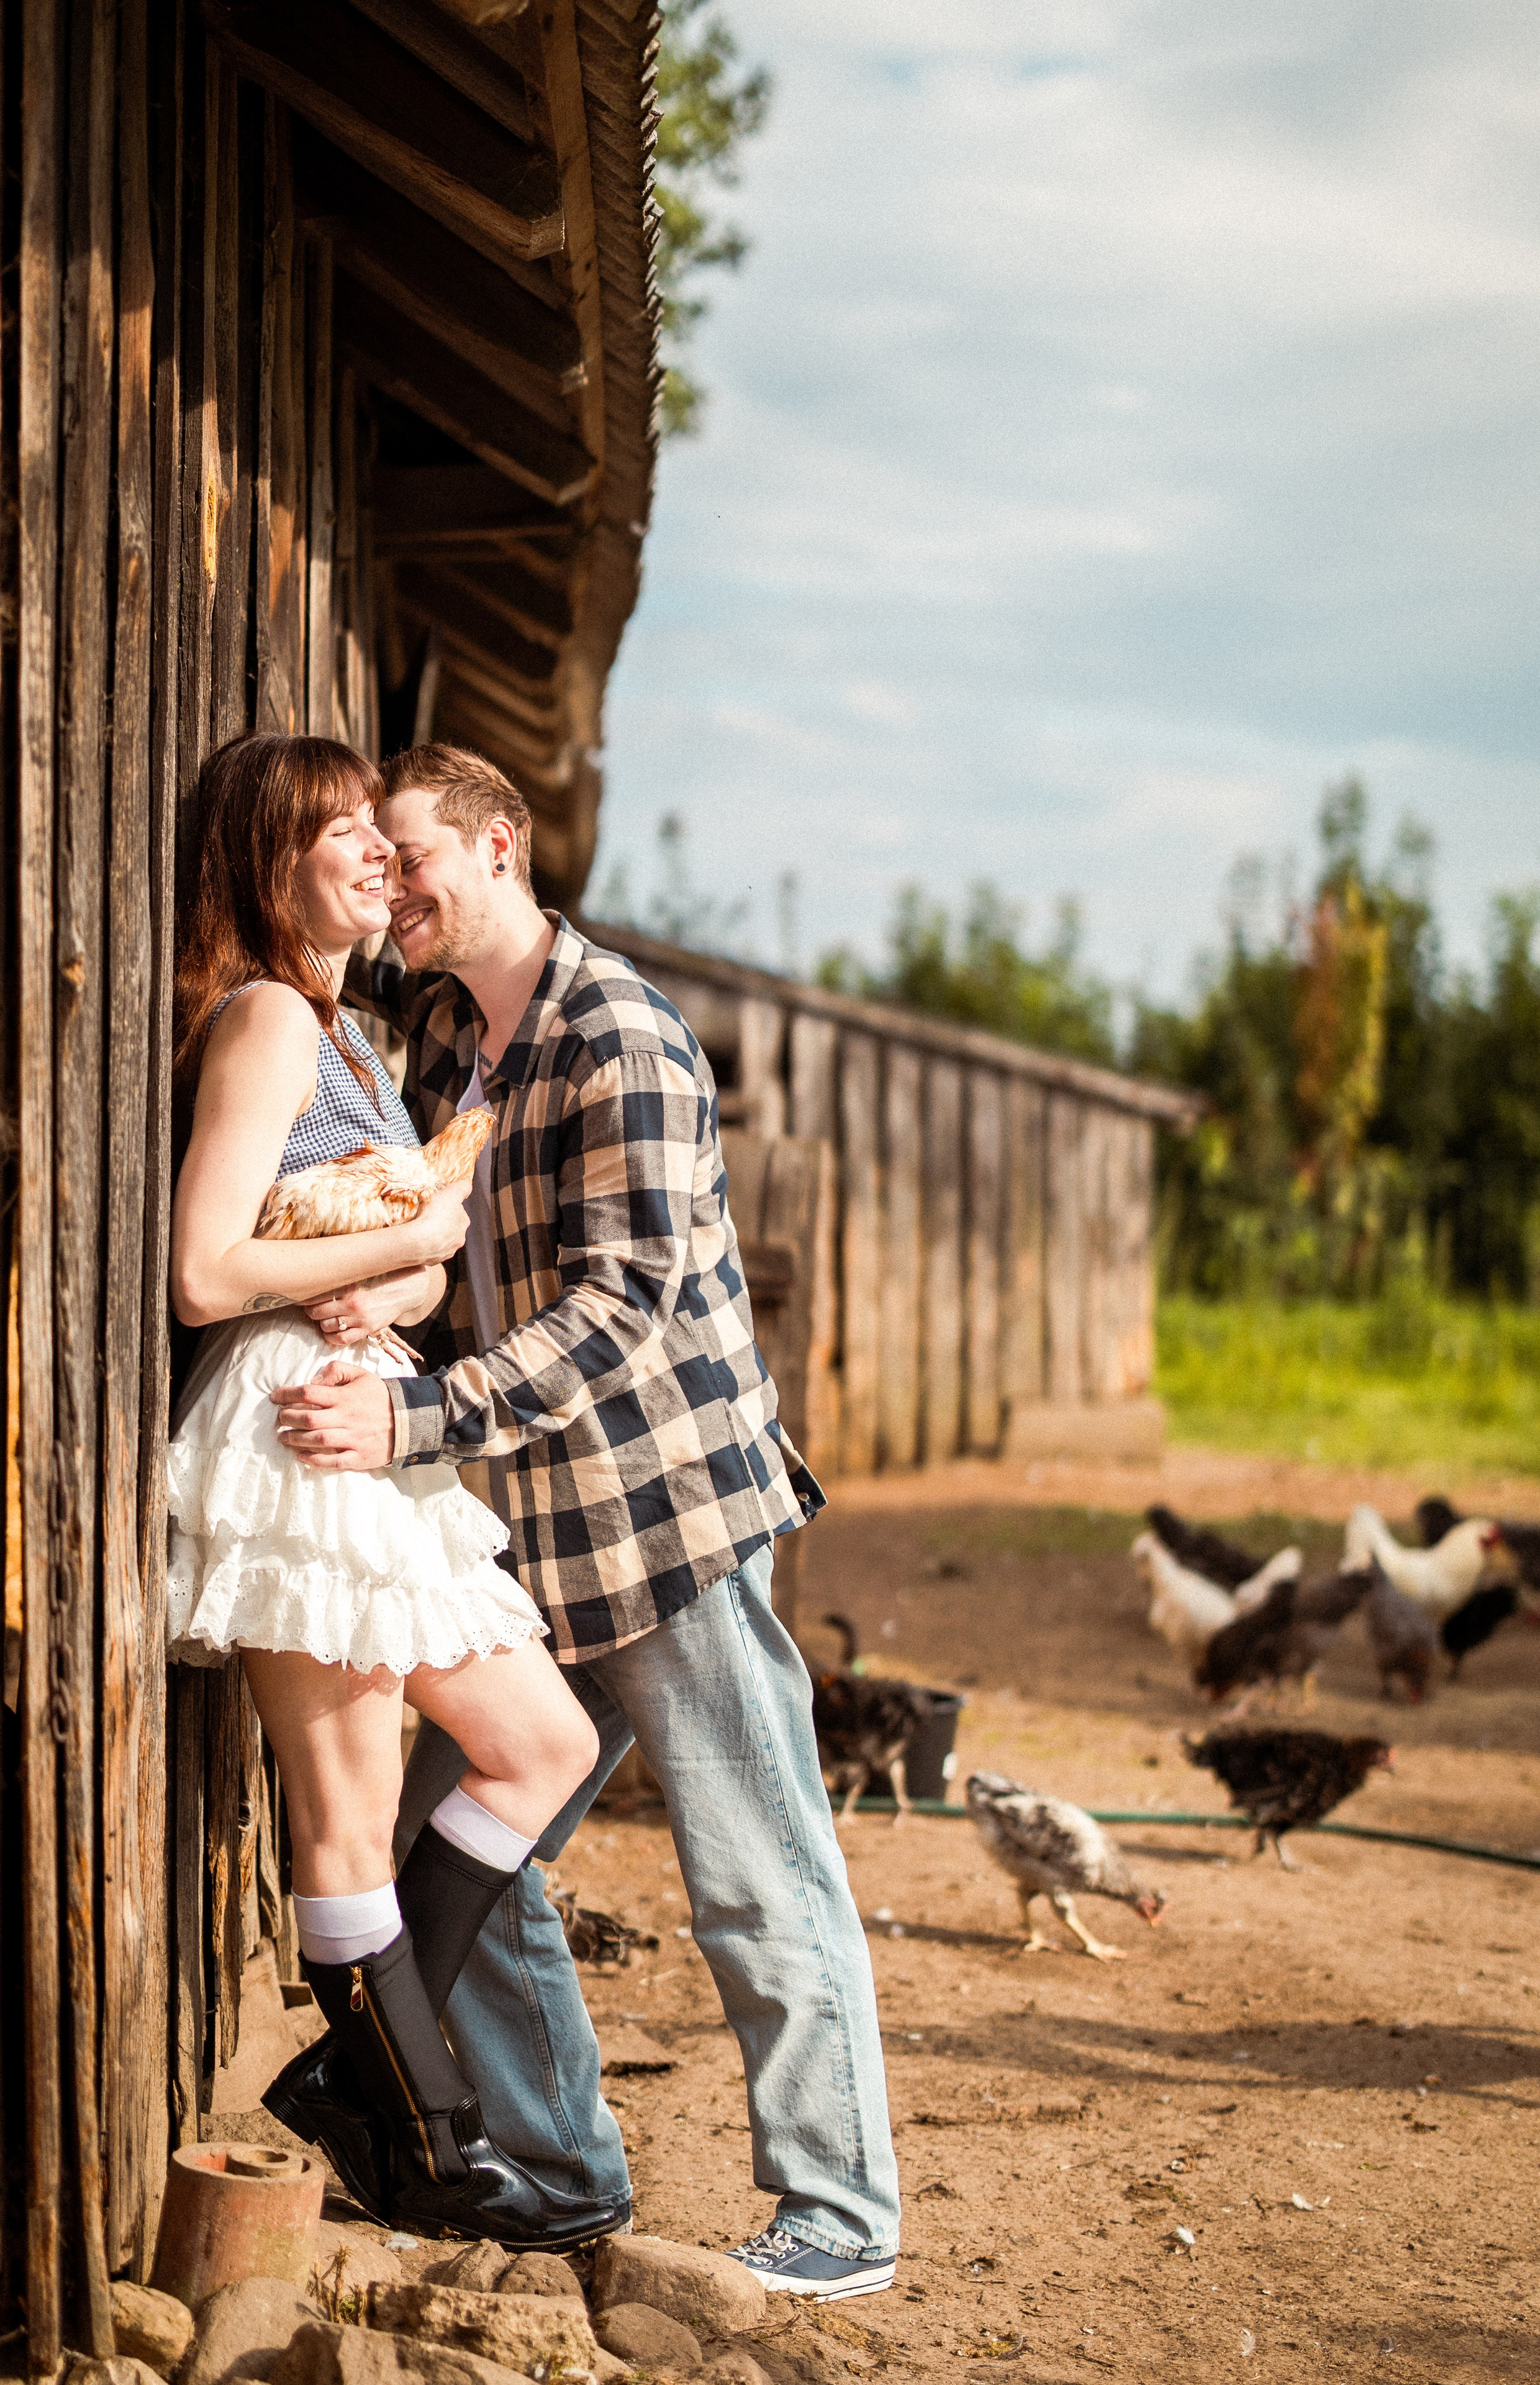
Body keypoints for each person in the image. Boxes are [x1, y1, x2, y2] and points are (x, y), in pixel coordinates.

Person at [270, 743, 901, 2301]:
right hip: (521, 1538)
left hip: (661, 1520)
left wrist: (417, 1412)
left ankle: (840, 2211)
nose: (398, 887)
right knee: (454, 1847)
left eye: (414, 856)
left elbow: (621, 1309)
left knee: (757, 1866)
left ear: (499, 847)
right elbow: (425, 1224)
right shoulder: (435, 1033)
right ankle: (557, 2168)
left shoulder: (616, 1032)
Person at [167, 733, 627, 2251]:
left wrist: (411, 1274)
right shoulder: (263, 1021)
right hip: (300, 1431)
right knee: (351, 1812)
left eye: (385, 830)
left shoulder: (352, 1032)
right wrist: (388, 1259)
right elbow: (206, 1269)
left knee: (542, 1740)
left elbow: (402, 1246)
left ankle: (355, 2077)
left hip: (372, 1417)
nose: (379, 853)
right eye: (342, 832)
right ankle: (422, 2136)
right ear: (266, 861)